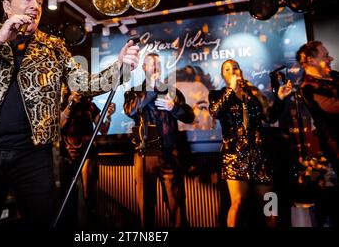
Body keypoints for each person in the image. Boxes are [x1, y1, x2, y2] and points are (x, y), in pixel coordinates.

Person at [0, 0, 139, 227]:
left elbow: (84, 84)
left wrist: (119, 67)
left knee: (42, 222)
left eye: (39, 2)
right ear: (6, 6)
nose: (35, 6)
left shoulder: (53, 47)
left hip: (33, 155)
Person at [209, 59, 292, 227]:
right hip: (234, 155)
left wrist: (280, 99)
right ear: (223, 75)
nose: (232, 71)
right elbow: (215, 112)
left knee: (271, 205)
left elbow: (270, 118)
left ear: (240, 71)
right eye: (227, 69)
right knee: (238, 202)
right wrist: (231, 90)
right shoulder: (217, 95)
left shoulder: (253, 94)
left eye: (235, 68)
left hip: (259, 155)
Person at [123, 53, 194, 227]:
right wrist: (150, 89)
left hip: (169, 152)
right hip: (145, 154)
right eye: (151, 64)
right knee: (145, 205)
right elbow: (130, 111)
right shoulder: (134, 91)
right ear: (144, 68)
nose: (156, 67)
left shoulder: (172, 91)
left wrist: (173, 107)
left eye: (158, 64)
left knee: (176, 203)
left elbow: (189, 117)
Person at [58, 84, 115, 227]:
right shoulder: (63, 104)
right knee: (67, 197)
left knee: (89, 196)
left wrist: (108, 117)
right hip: (67, 155)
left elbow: (103, 130)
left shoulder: (90, 106)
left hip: (87, 155)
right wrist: (70, 105)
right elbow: (59, 125)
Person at [296, 41, 338, 227]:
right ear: (310, 60)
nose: (331, 59)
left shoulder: (334, 76)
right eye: (325, 56)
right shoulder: (309, 87)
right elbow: (334, 108)